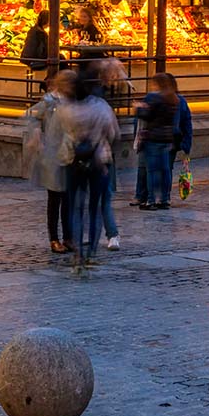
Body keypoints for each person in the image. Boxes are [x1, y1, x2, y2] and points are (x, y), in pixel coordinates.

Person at [58, 66, 119, 266]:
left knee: (76, 207)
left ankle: (77, 251)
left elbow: (62, 131)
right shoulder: (101, 107)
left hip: (73, 159)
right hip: (99, 160)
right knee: (95, 207)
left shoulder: (66, 109)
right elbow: (113, 133)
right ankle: (91, 250)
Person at [26, 69, 76, 253]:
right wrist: (36, 133)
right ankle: (54, 238)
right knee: (55, 198)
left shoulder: (74, 102)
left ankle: (69, 237)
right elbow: (32, 116)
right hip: (54, 154)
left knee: (69, 198)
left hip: (71, 153)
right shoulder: (49, 101)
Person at [136, 72, 179, 210]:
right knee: (165, 169)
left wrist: (138, 108)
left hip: (154, 138)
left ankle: (151, 200)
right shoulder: (173, 99)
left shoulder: (154, 98)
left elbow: (146, 116)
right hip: (166, 138)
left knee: (152, 171)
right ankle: (165, 199)